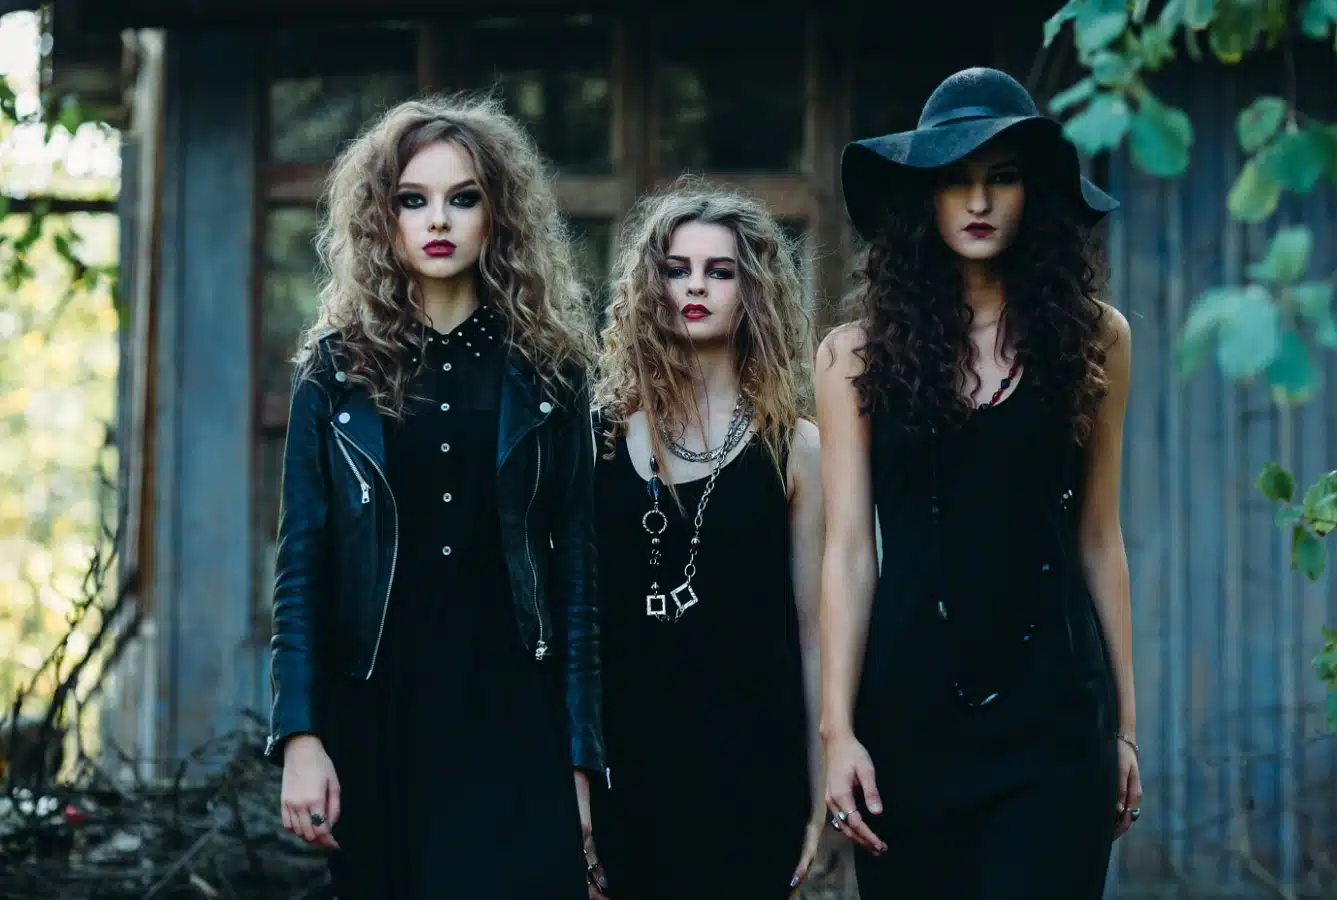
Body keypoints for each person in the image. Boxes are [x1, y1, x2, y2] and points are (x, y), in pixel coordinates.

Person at [267, 95, 606, 899]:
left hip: (512, 713)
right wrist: (301, 736)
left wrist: (582, 758)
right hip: (376, 712)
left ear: (499, 215)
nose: (438, 220)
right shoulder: (335, 373)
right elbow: (301, 572)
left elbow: (580, 582)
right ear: (382, 219)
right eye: (413, 200)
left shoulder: (551, 375)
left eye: (463, 198)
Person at [813, 67, 1140, 897]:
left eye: (1001, 177)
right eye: (956, 180)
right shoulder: (854, 354)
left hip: (1055, 722)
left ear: (1034, 192)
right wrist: (838, 732)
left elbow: (1100, 538)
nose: (979, 201)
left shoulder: (1097, 340)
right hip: (909, 721)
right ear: (925, 197)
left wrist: (1127, 731)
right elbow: (850, 552)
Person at [588, 180, 825, 899]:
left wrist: (822, 801)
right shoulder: (596, 444)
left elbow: (815, 633)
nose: (695, 287)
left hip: (754, 777)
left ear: (752, 291)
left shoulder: (796, 447)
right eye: (676, 269)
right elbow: (577, 634)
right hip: (627, 773)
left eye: (720, 271)